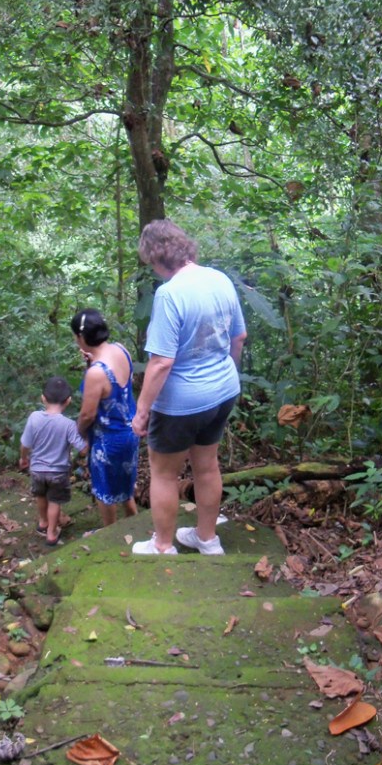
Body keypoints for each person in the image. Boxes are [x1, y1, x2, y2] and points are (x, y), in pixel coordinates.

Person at [131, 219, 247, 556]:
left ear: (155, 258)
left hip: (181, 403)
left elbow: (161, 362)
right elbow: (239, 337)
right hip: (223, 390)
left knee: (164, 474)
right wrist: (224, 376)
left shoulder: (169, 294)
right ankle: (207, 539)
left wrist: (141, 412)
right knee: (207, 466)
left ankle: (163, 545)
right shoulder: (219, 278)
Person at [70, 309, 139, 527]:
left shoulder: (96, 373)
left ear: (81, 337)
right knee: (125, 486)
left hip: (108, 440)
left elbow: (87, 414)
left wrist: (78, 433)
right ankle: (134, 525)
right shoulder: (121, 349)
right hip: (131, 430)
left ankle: (110, 534)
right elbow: (121, 386)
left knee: (105, 491)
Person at [19, 376, 87, 546]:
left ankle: (43, 522)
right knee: (55, 501)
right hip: (58, 472)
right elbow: (83, 449)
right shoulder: (68, 424)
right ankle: (51, 532)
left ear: (43, 398)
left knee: (41, 495)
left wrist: (23, 458)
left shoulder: (34, 417)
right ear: (68, 401)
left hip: (37, 470)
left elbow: (25, 443)